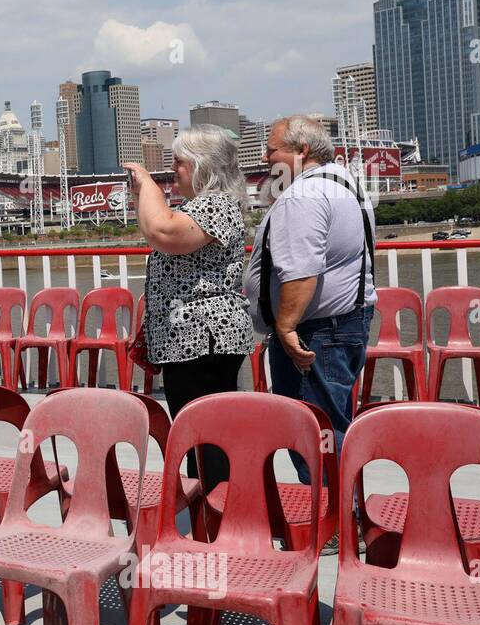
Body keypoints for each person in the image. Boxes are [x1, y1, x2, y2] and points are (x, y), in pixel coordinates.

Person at [243, 113, 377, 484]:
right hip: (345, 324)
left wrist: (285, 327)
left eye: (272, 151)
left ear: (301, 151)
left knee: (313, 432)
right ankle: (343, 521)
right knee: (333, 424)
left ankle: (334, 527)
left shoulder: (302, 195)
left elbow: (301, 271)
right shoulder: (347, 184)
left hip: (314, 332)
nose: (266, 160)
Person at [127, 124, 254, 490]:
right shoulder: (204, 206)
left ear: (203, 166)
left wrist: (147, 185)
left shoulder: (215, 204)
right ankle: (213, 511)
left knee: (206, 434)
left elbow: (162, 232)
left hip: (203, 340)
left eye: (179, 162)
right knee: (199, 434)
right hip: (191, 341)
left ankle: (219, 515)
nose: (173, 171)